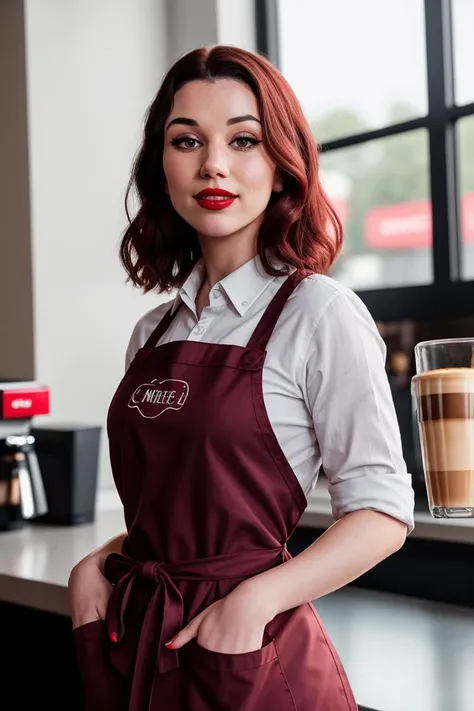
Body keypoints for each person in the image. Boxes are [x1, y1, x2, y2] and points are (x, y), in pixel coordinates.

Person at [68, 44, 415, 711]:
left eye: (244, 139)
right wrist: (102, 560)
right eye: (187, 140)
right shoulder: (153, 333)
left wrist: (255, 601)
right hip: (139, 634)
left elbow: (381, 512)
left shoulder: (320, 313)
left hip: (248, 655)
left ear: (282, 164)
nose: (213, 165)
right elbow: (176, 509)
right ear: (160, 167)